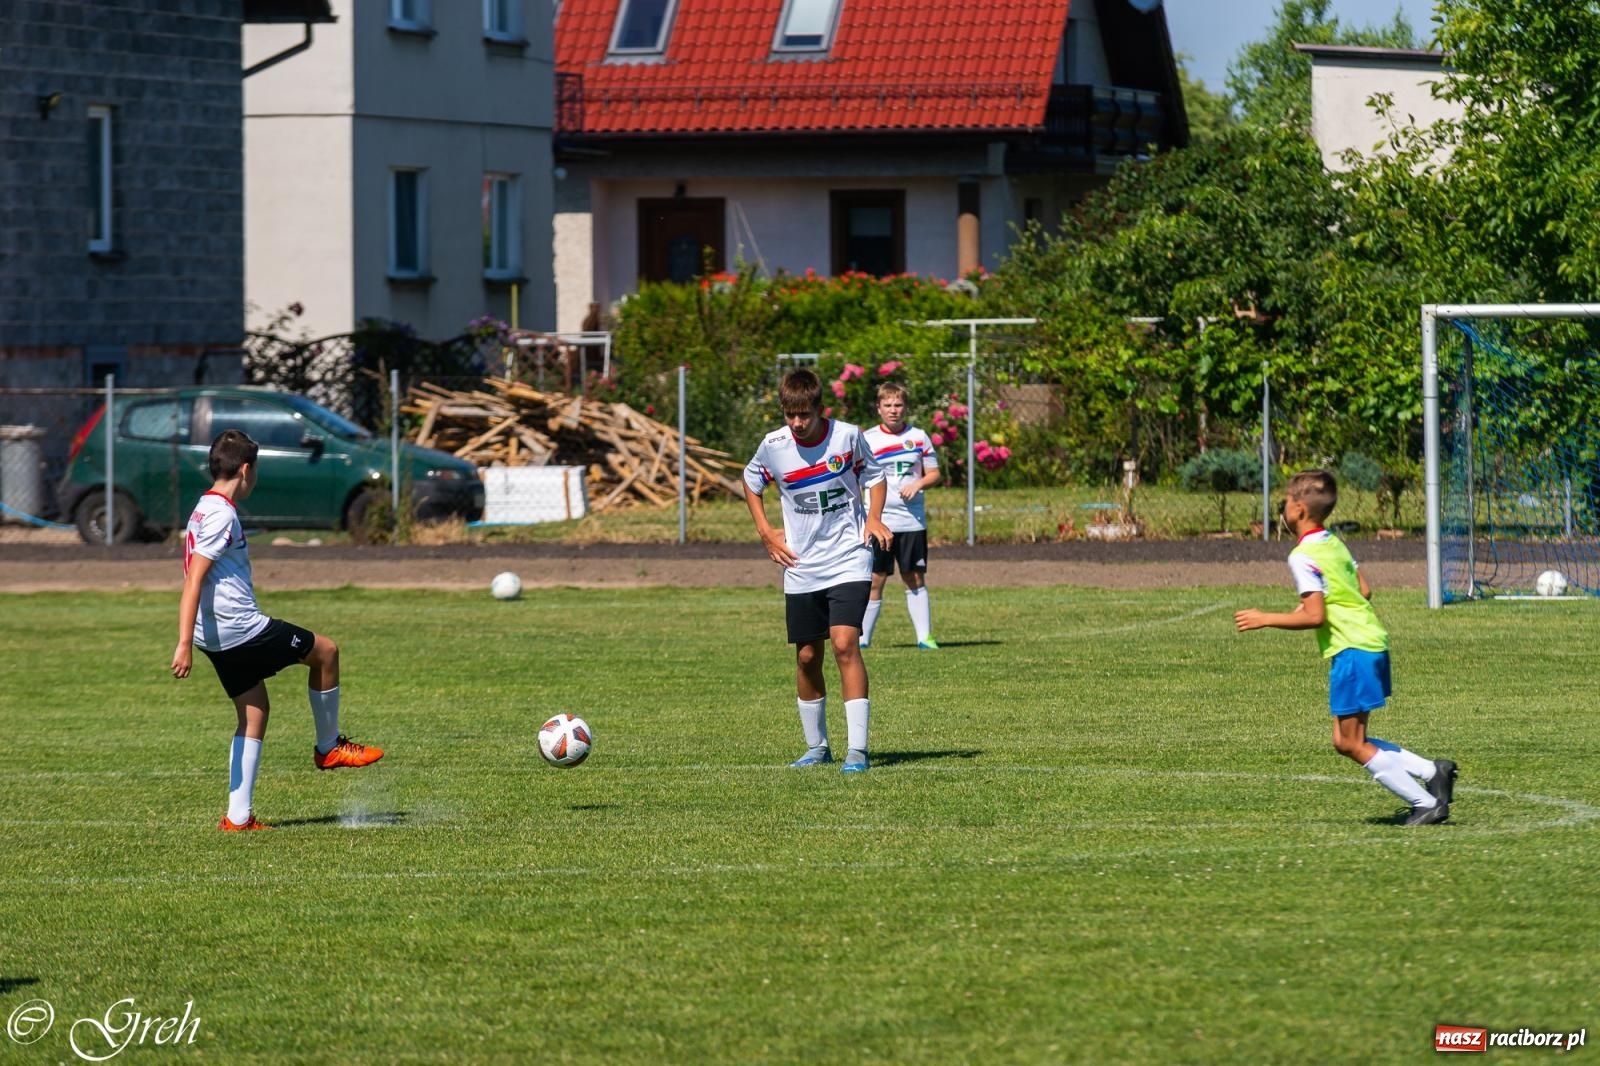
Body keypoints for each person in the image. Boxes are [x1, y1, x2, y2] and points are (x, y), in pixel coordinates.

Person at [171, 429, 383, 832]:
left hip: (213, 636)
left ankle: (237, 817)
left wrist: (190, 640)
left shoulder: (203, 505)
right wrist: (181, 644)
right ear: (247, 470)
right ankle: (329, 747)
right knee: (326, 652)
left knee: (254, 713)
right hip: (240, 628)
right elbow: (193, 579)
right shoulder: (221, 513)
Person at [1234, 469, 1457, 827]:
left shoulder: (1301, 555)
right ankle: (1433, 771)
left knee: (1352, 743)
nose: (1284, 507)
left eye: (1288, 501)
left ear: (1301, 509)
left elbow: (1315, 617)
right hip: (1370, 642)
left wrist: (1265, 617)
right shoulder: (1333, 542)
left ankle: (1426, 802)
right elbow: (1363, 589)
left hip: (1352, 649)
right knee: (1345, 740)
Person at [744, 369, 892, 773]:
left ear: (819, 409)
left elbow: (875, 476)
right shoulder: (773, 446)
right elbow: (751, 479)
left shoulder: (846, 436)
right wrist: (766, 533)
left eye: (804, 415)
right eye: (790, 415)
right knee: (808, 655)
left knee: (845, 644)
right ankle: (816, 747)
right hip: (802, 563)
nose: (797, 423)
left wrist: (874, 518)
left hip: (849, 556)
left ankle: (857, 751)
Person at [860, 382, 942, 649]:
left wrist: (918, 483)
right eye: (888, 405)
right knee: (874, 579)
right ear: (879, 408)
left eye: (898, 405)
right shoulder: (868, 439)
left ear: (905, 407)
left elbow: (934, 473)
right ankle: (863, 639)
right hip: (879, 521)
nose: (893, 410)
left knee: (914, 577)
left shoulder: (918, 437)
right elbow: (856, 476)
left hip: (911, 521)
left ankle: (924, 637)